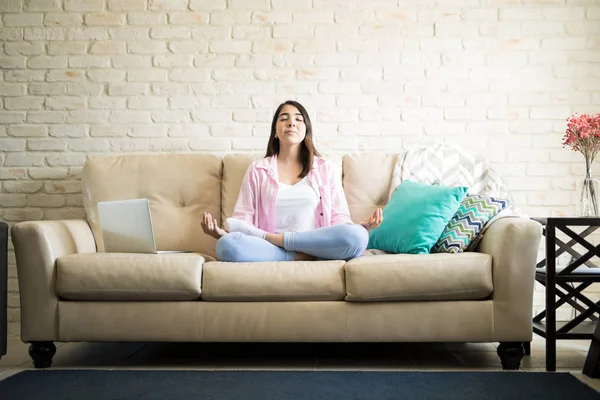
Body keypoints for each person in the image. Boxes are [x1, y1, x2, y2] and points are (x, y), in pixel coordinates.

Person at [201, 100, 383, 262]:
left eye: (298, 119)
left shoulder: (324, 168)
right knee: (227, 245)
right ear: (275, 131)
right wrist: (222, 234)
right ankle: (300, 255)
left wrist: (360, 227)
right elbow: (243, 222)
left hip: (310, 243)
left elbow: (339, 218)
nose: (291, 123)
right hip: (269, 248)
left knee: (357, 236)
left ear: (306, 130)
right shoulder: (258, 170)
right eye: (284, 118)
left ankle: (288, 245)